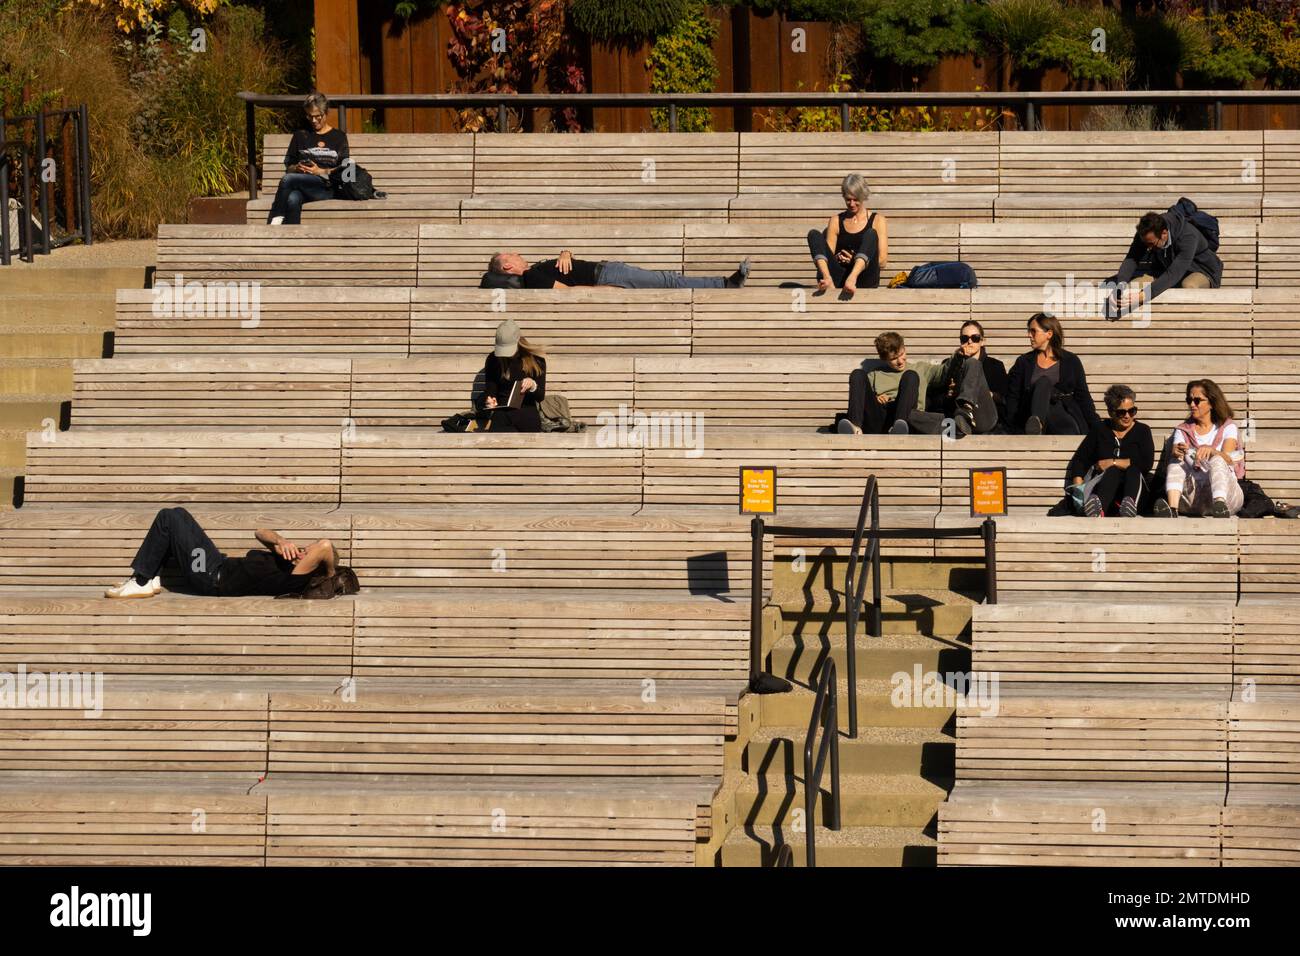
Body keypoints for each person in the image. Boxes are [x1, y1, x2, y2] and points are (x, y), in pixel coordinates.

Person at [105, 507, 338, 599]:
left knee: (171, 517)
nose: (306, 549)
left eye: (310, 551)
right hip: (213, 564)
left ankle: (142, 580)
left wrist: (330, 571)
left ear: (315, 566)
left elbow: (326, 546)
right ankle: (152, 577)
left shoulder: (298, 577)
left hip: (207, 576)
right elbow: (259, 532)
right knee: (177, 515)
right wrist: (280, 541)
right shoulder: (287, 560)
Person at [1155, 379, 1245, 518]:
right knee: (1176, 462)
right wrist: (1176, 451)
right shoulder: (1183, 429)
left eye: (1197, 400)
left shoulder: (1228, 427)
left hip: (1227, 496)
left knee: (1218, 460)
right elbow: (1176, 450)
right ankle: (1172, 509)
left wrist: (1213, 451)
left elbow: (1230, 460)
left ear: (1211, 403)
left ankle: (1219, 505)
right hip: (1195, 498)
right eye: (1189, 400)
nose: (1192, 405)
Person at [1108, 208, 1223, 314]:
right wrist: (1120, 285)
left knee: (1189, 285)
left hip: (1201, 270)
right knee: (1133, 286)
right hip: (1167, 269)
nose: (1147, 249)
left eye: (1151, 244)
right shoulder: (1146, 234)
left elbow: (1173, 273)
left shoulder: (1188, 236)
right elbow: (1132, 259)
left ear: (1164, 234)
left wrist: (1143, 295)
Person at [1065, 384, 1154, 518]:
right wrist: (1078, 490)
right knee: (1112, 472)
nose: (1127, 416)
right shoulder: (1099, 429)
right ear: (1110, 412)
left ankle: (1128, 508)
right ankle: (1098, 511)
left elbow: (1146, 463)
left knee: (1133, 470)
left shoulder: (1143, 430)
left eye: (1132, 411)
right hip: (1105, 489)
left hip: (1134, 492)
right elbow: (1080, 459)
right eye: (1121, 412)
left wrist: (1112, 462)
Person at [1004, 312, 1098, 436]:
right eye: (1029, 331)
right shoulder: (1023, 362)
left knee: (1047, 387)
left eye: (1033, 331)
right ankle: (1036, 425)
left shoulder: (1071, 361)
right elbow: (1013, 397)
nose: (1029, 335)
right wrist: (1011, 427)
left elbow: (1083, 397)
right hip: (1028, 415)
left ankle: (1039, 427)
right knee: (1043, 383)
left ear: (1049, 334)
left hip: (1061, 415)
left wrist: (1097, 427)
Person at [837, 332, 943, 435]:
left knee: (911, 375)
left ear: (904, 348)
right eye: (893, 358)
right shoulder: (875, 374)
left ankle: (900, 427)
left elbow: (945, 371)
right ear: (884, 359)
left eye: (902, 354)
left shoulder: (921, 369)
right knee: (857, 374)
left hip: (907, 418)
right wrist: (876, 398)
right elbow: (865, 400)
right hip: (878, 420)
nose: (900, 361)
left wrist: (958, 356)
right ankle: (854, 427)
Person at [806, 173, 889, 298]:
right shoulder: (835, 220)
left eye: (856, 200)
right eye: (848, 199)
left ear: (863, 197)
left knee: (871, 233)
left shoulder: (878, 220)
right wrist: (837, 258)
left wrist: (854, 260)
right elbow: (827, 254)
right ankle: (828, 280)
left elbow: (882, 261)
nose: (851, 204)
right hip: (839, 278)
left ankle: (852, 278)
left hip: (864, 277)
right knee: (814, 234)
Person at [486, 250, 749, 290]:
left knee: (667, 280)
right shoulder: (531, 277)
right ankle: (727, 284)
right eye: (512, 255)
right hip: (605, 276)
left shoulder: (535, 271)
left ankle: (725, 283)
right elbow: (565, 291)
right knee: (668, 280)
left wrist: (566, 251)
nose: (518, 254)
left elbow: (563, 271)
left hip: (606, 272)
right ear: (507, 266)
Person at [932, 320, 1008, 436]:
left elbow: (1005, 399)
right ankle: (963, 418)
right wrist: (949, 394)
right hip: (956, 418)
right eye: (964, 338)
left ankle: (966, 410)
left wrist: (989, 394)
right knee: (913, 416)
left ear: (982, 341)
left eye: (975, 338)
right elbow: (935, 401)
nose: (969, 341)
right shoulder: (949, 365)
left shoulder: (995, 366)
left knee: (972, 363)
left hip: (985, 418)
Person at [475, 319, 547, 432]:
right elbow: (491, 390)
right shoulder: (493, 359)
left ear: (518, 341)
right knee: (499, 427)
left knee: (527, 425)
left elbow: (540, 397)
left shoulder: (536, 361)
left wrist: (532, 385)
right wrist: (490, 400)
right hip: (502, 412)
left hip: (527, 411)